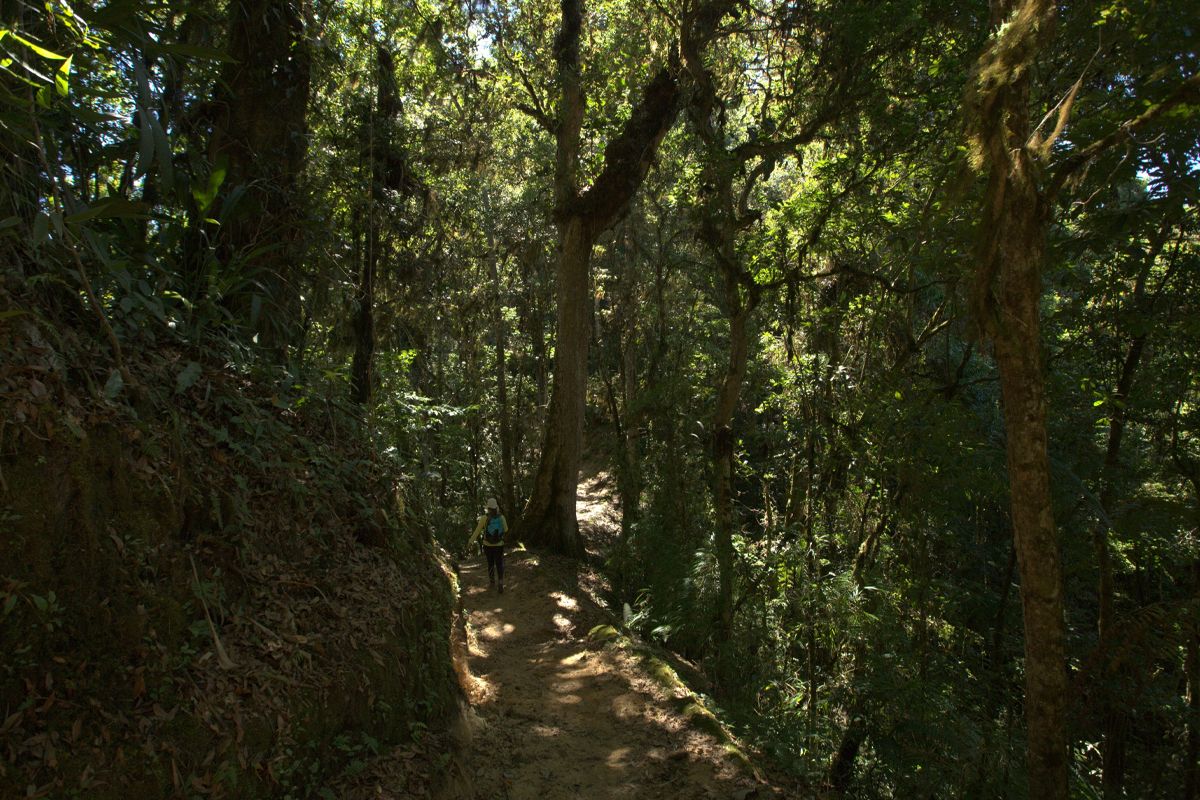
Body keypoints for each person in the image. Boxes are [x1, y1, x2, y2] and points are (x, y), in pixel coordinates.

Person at [466, 497, 508, 593]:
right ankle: (500, 582)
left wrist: (470, 542)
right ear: (496, 507)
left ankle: (492, 582)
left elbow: (477, 531)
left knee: (490, 563)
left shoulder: (484, 518)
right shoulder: (501, 517)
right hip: (499, 544)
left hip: (487, 545)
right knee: (499, 563)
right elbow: (506, 529)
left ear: (488, 508)